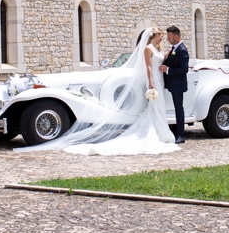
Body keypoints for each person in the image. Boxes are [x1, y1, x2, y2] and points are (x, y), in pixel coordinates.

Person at [15, 27, 179, 156]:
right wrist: (150, 82)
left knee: (159, 108)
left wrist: (169, 54)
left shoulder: (156, 49)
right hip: (154, 81)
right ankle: (160, 133)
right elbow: (149, 67)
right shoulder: (148, 49)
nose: (162, 39)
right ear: (154, 36)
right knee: (155, 108)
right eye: (161, 37)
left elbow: (159, 61)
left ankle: (162, 131)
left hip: (160, 79)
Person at [159, 25, 189, 144]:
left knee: (178, 109)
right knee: (176, 109)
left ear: (176, 37)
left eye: (170, 37)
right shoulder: (174, 49)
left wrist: (168, 70)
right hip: (172, 84)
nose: (168, 39)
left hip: (178, 85)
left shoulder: (181, 50)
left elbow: (184, 69)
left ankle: (181, 135)